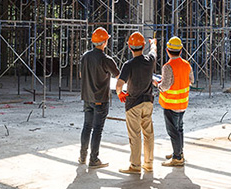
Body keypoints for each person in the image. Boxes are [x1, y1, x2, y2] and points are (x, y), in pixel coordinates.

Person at [116, 32, 157, 174]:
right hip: (148, 102)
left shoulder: (128, 64)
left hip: (133, 104)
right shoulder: (150, 60)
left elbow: (119, 84)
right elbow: (154, 51)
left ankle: (135, 165)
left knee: (135, 135)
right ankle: (149, 163)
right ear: (143, 45)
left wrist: (120, 93)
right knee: (148, 134)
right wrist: (153, 43)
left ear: (129, 46)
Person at [79, 27, 119, 169]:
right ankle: (94, 159)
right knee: (97, 129)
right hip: (100, 99)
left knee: (87, 127)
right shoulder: (106, 59)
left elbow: (81, 75)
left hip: (87, 98)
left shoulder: (85, 56)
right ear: (104, 42)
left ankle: (82, 156)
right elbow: (119, 76)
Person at [154, 36, 194, 167]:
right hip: (183, 103)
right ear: (181, 50)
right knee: (179, 128)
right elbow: (191, 80)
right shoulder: (187, 64)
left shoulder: (168, 66)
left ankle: (177, 157)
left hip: (171, 104)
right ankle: (179, 152)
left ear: (167, 50)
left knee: (173, 131)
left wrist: (157, 84)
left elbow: (165, 86)